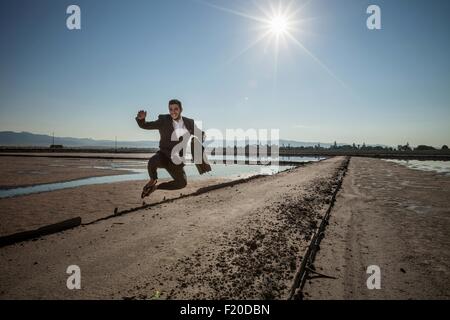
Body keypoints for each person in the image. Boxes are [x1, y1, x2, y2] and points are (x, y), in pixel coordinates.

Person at [136, 99, 210, 198]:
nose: (173, 111)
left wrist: (202, 137)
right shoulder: (163, 120)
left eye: (176, 109)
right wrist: (141, 120)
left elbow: (200, 134)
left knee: (182, 183)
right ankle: (152, 180)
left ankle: (156, 187)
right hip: (164, 156)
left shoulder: (188, 123)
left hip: (176, 161)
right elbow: (146, 125)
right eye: (170, 109)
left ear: (181, 109)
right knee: (152, 161)